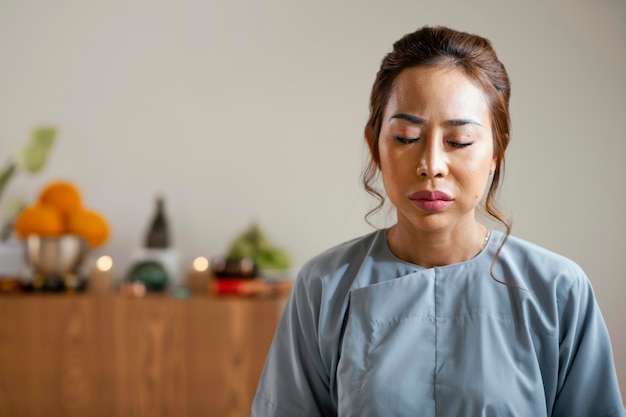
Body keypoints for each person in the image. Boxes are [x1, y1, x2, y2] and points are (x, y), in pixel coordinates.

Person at [251, 26, 625, 417]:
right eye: (406, 137)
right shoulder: (324, 287)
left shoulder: (558, 290)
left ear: (497, 150)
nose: (431, 165)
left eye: (458, 141)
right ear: (374, 146)